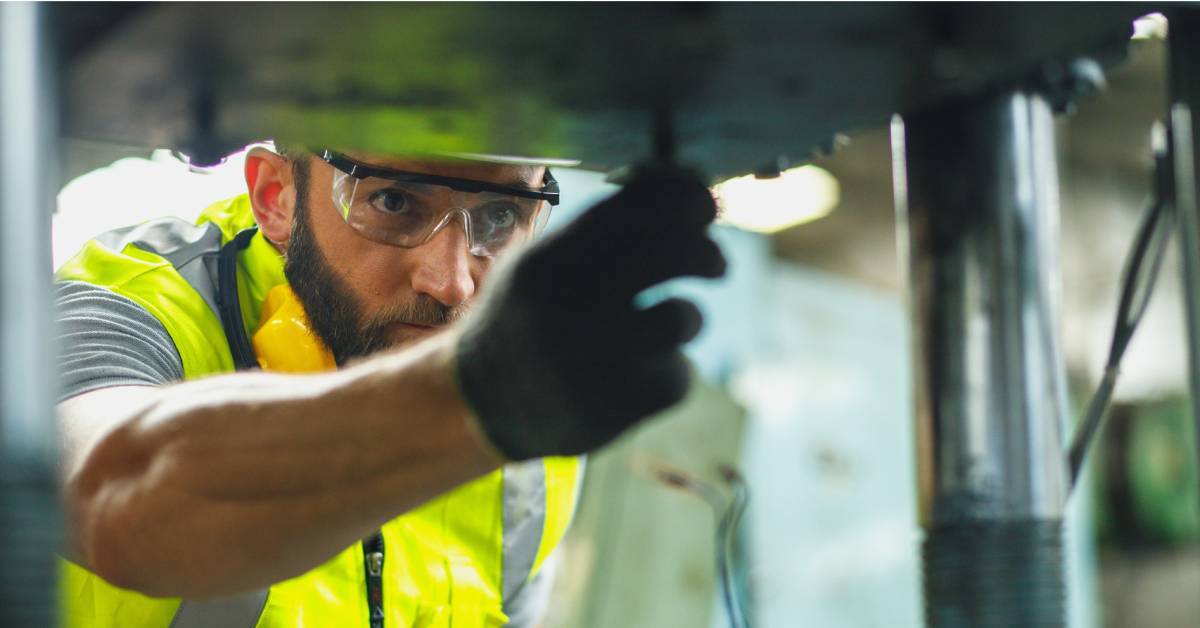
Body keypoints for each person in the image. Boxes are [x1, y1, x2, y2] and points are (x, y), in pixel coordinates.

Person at [53, 144, 726, 627]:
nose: (452, 282)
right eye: (394, 201)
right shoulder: (126, 307)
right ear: (276, 196)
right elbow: (115, 498)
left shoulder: (533, 417)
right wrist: (469, 398)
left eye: (499, 217)